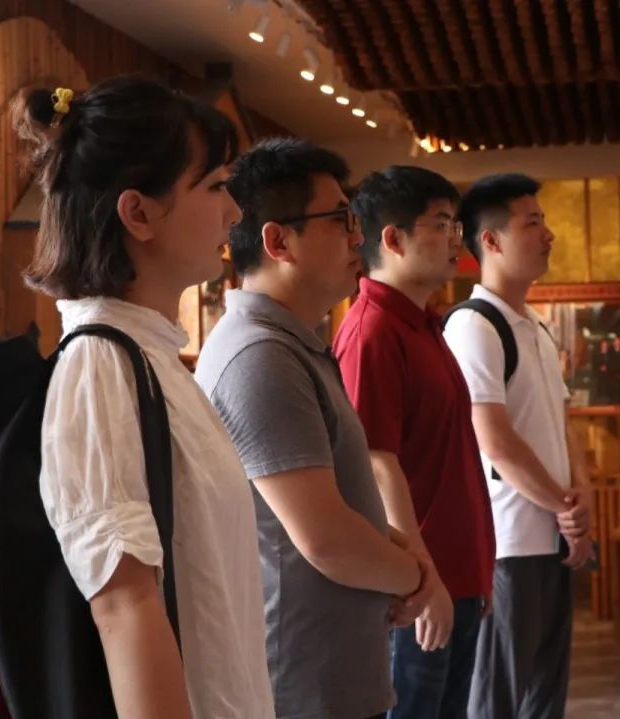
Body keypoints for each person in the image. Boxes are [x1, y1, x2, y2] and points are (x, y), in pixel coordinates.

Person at [18, 76, 274, 718]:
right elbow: (124, 608)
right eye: (214, 186)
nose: (234, 212)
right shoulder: (101, 364)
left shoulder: (149, 356)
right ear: (138, 213)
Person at [194, 139, 427, 719]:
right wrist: (416, 578)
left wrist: (395, 558)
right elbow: (325, 539)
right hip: (301, 685)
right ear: (278, 242)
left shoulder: (292, 344)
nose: (357, 237)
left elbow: (335, 501)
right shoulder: (260, 356)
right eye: (340, 220)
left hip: (329, 676)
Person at [333, 166, 495, 719]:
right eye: (442, 224)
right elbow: (376, 463)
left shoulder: (424, 324)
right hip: (420, 585)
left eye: (456, 226)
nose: (456, 240)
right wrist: (423, 580)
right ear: (393, 238)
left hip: (457, 574)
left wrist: (477, 568)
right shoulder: (373, 330)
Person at [442, 174, 594, 719]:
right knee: (497, 698)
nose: (548, 234)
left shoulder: (535, 325)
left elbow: (560, 422)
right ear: (491, 240)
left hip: (550, 536)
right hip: (507, 542)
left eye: (544, 221)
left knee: (545, 697)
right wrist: (565, 509)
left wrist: (582, 499)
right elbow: (493, 438)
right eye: (532, 224)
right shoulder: (473, 326)